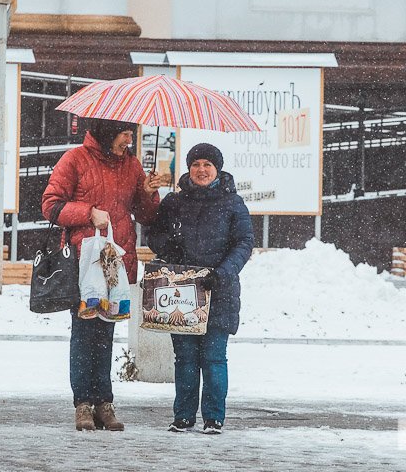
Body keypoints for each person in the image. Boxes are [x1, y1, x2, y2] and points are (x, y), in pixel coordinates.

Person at [41, 118, 161, 431]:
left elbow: (145, 215)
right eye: (124, 134)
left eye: (130, 135)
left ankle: (104, 403)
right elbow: (50, 204)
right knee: (84, 333)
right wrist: (87, 212)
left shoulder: (132, 166)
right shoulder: (75, 160)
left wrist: (149, 193)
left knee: (106, 333)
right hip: (84, 263)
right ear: (108, 132)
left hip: (115, 265)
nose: (128, 141)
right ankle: (83, 403)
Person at [147, 143, 254, 435]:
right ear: (188, 168)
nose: (201, 170)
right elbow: (153, 233)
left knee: (214, 357)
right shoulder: (173, 202)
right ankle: (183, 416)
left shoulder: (233, 203)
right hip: (182, 291)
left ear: (217, 169)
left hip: (219, 290)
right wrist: (168, 246)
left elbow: (244, 243)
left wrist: (222, 274)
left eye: (208, 164)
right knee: (185, 358)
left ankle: (213, 418)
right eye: (196, 164)